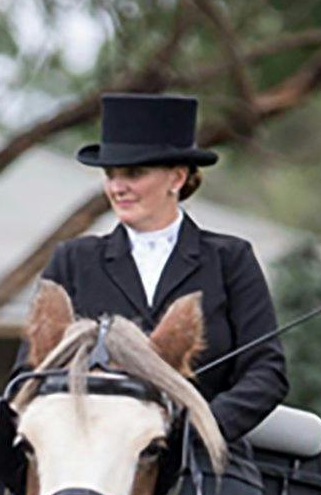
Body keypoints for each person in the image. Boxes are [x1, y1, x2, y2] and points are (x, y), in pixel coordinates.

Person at [29, 92, 288, 445]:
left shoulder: (230, 258)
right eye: (110, 174)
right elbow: (33, 370)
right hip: (98, 458)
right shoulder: (74, 260)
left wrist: (201, 428)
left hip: (203, 457)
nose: (117, 188)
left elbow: (266, 372)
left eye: (133, 173)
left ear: (177, 178)